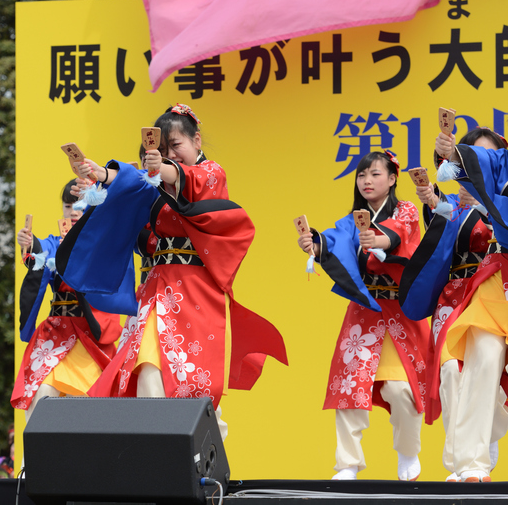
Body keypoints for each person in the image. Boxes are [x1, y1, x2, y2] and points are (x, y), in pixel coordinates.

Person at [58, 104, 287, 435]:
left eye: (176, 146)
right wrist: (100, 175)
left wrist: (162, 168)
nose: (171, 155)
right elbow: (134, 183)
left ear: (196, 140)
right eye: (163, 150)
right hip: (158, 289)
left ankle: (203, 449)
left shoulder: (211, 173)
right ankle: (161, 453)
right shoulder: (156, 185)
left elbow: (185, 179)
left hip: (195, 291)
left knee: (193, 381)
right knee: (148, 367)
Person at [297, 151, 429, 481]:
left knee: (402, 391)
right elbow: (335, 239)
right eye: (361, 176)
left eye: (374, 174)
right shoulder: (353, 219)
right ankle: (347, 464)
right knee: (349, 389)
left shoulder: (406, 209)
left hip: (401, 312)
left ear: (393, 178)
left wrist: (378, 239)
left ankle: (408, 451)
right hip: (365, 313)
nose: (367, 181)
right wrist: (313, 245)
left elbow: (397, 233)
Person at [400, 127, 508, 481]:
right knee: (459, 367)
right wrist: (433, 197)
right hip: (468, 292)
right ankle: (469, 462)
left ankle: (484, 438)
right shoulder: (460, 208)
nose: (478, 166)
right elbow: (444, 224)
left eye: (481, 157)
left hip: (490, 283)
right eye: (471, 157)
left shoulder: (491, 207)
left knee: (491, 374)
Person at [12, 179, 123, 419]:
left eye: (80, 203)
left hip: (90, 333)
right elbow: (42, 257)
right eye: (67, 205)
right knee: (40, 399)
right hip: (56, 333)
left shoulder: (104, 242)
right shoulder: (55, 242)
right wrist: (31, 245)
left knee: (88, 408)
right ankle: (39, 456)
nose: (72, 210)